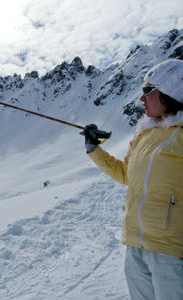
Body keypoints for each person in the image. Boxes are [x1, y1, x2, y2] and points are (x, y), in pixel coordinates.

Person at [82, 58, 183, 300]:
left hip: (170, 251)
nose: (141, 98)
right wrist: (93, 149)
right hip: (136, 245)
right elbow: (127, 174)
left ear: (169, 93)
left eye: (148, 90)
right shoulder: (144, 134)